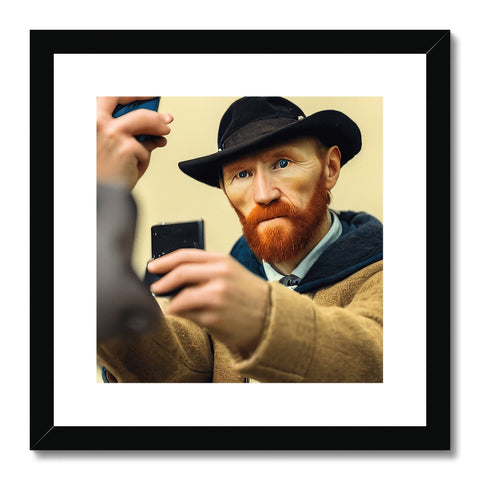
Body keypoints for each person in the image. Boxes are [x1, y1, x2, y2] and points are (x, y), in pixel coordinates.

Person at [96, 96, 383, 383]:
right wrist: (99, 193)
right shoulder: (223, 289)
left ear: (330, 167)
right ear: (224, 188)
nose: (263, 194)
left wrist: (256, 315)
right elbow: (159, 364)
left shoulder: (383, 272)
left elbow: (374, 355)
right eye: (242, 174)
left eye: (282, 163)